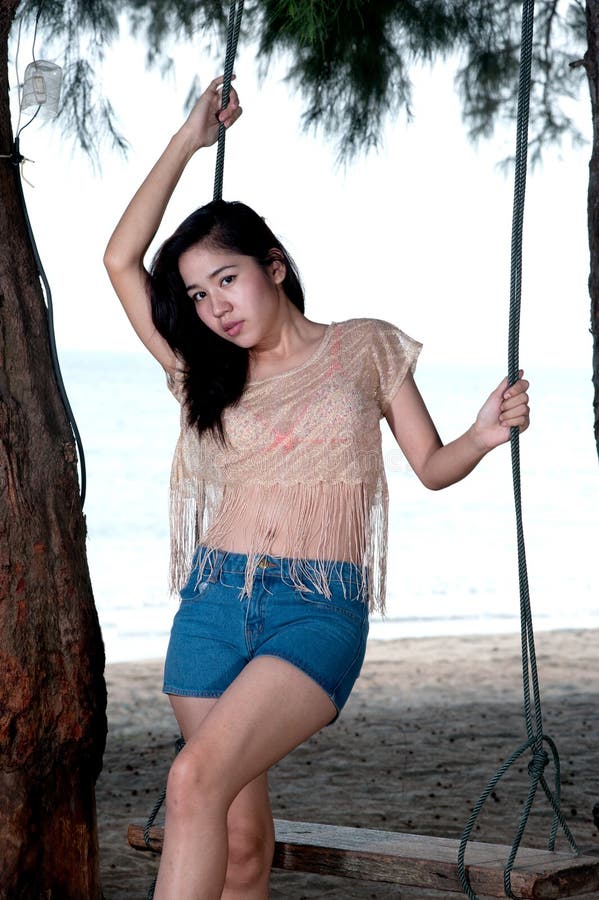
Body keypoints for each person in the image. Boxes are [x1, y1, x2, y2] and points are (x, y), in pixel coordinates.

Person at [104, 75, 530, 900]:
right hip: (212, 606)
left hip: (315, 608)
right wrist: (187, 142)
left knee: (191, 784)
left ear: (272, 266)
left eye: (225, 279)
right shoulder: (204, 372)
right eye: (196, 294)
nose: (214, 306)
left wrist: (480, 435)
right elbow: (119, 259)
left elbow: (431, 467)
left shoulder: (364, 347)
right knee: (238, 848)